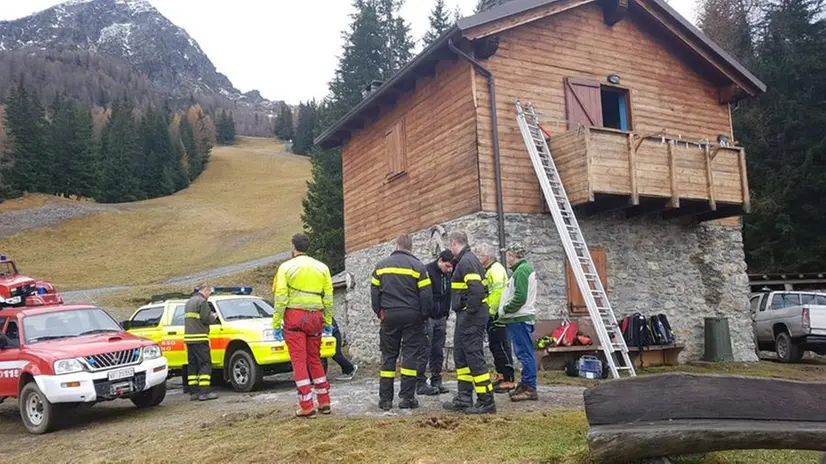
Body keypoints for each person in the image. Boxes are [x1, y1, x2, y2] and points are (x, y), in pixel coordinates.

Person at [272, 233, 335, 418]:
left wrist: (276, 323)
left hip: (295, 317)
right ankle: (325, 402)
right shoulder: (322, 267)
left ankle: (306, 405)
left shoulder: (286, 267)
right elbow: (329, 298)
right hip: (316, 317)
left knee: (299, 361)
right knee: (315, 359)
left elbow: (281, 297)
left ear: (293, 247)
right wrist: (328, 321)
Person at [371, 234, 433, 411]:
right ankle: (406, 398)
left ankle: (385, 400)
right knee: (410, 356)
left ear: (396, 245)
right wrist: (423, 315)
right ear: (411, 247)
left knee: (389, 356)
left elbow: (374, 292)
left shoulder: (381, 266)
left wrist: (379, 311)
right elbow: (426, 295)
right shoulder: (418, 267)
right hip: (412, 316)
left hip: (389, 315)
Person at [442, 231, 496, 415]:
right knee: (461, 355)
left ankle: (486, 401)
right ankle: (464, 397)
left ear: (454, 243)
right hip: (465, 316)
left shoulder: (467, 261)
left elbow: (477, 290)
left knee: (474, 356)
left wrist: (468, 310)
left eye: (450, 245)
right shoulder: (465, 261)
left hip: (471, 316)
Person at [497, 243, 539, 402]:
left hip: (519, 318)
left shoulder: (521, 271)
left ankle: (530, 388)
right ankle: (526, 384)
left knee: (524, 354)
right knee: (524, 353)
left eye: (508, 255)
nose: (507, 258)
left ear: (513, 255)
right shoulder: (523, 269)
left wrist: (505, 309)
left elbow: (520, 297)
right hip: (521, 317)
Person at [477, 243, 515, 394]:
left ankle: (508, 379)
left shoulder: (496, 270)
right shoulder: (490, 270)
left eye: (480, 255)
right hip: (493, 313)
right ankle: (501, 376)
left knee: (501, 346)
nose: (479, 258)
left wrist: (491, 312)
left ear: (487, 257)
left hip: (496, 315)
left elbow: (498, 293)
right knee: (495, 346)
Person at [416, 249, 454, 395]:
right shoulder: (427, 271)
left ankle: (436, 379)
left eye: (451, 267)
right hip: (429, 317)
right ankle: (420, 382)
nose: (449, 269)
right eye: (447, 266)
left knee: (438, 350)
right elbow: (423, 294)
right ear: (440, 260)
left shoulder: (448, 275)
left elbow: (448, 294)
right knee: (425, 349)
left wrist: (446, 312)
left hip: (442, 316)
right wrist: (424, 314)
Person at [184, 284, 218, 401]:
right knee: (205, 363)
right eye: (209, 293)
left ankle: (194, 392)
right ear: (206, 290)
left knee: (192, 365)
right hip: (200, 337)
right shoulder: (202, 302)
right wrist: (213, 316)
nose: (209, 296)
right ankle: (204, 392)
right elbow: (205, 319)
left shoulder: (189, 302)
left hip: (189, 338)